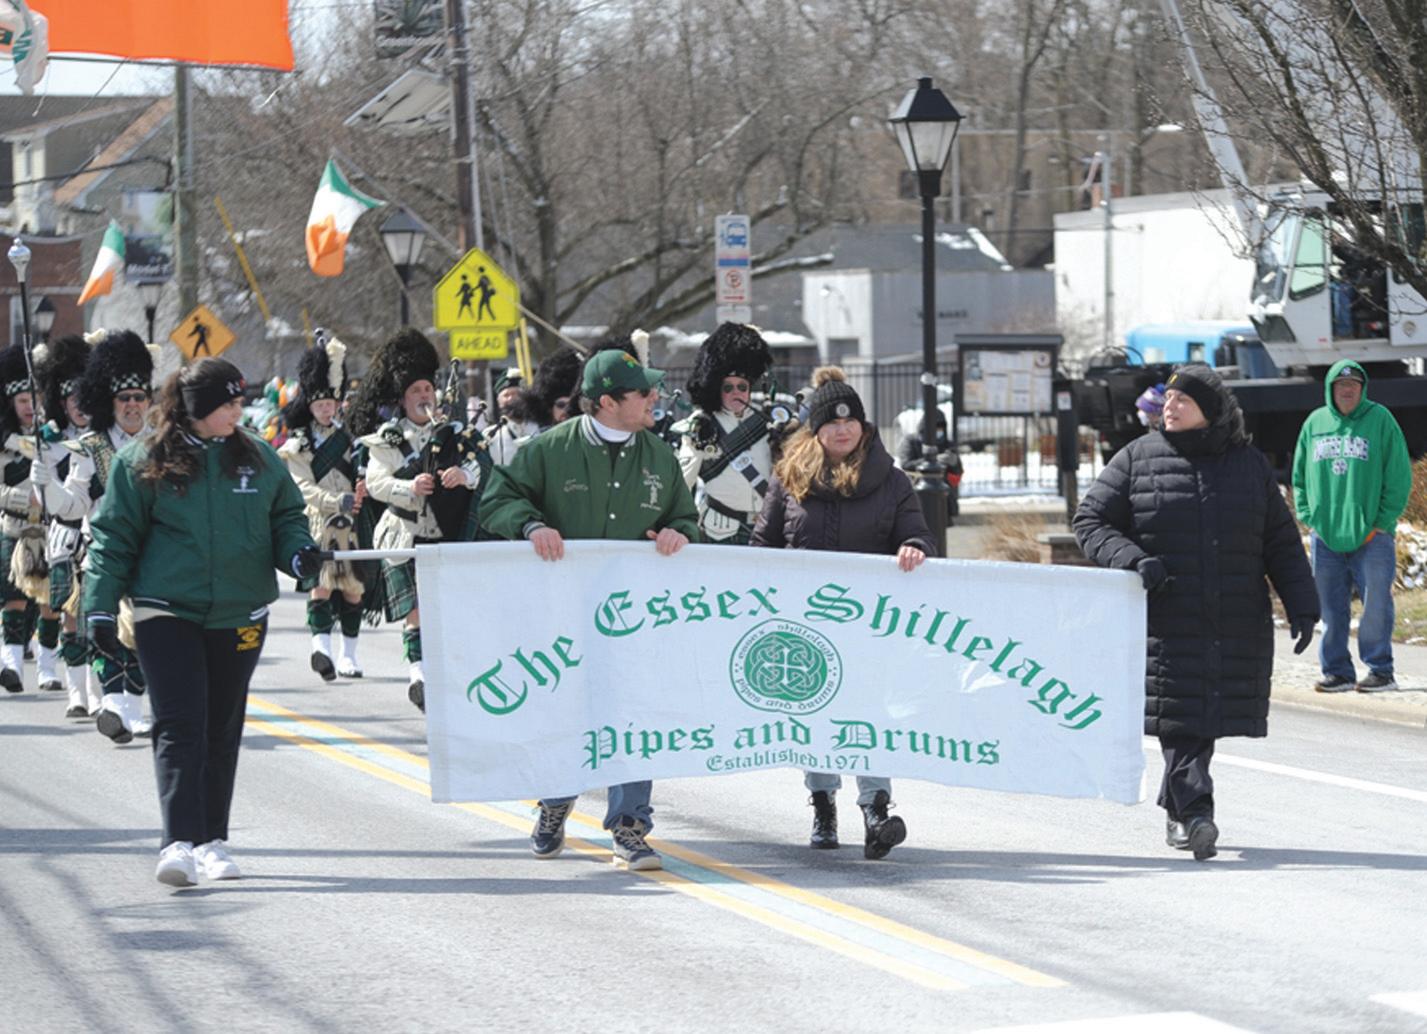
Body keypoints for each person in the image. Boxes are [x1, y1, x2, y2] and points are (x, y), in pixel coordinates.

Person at [83, 358, 318, 886]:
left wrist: (299, 554)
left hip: (239, 611)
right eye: (228, 404)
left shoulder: (257, 456)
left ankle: (213, 841)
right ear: (197, 409)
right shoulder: (143, 459)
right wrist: (99, 604)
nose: (239, 412)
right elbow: (114, 536)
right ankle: (178, 843)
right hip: (166, 609)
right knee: (180, 722)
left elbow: (286, 516)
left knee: (221, 725)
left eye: (239, 403)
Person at [1074, 363, 1319, 861]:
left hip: (1234, 617)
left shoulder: (1248, 466)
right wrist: (1134, 559)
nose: (1169, 406)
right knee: (1183, 720)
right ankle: (1196, 811)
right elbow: (1090, 520)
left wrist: (1303, 605)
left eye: (1182, 401)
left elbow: (1280, 542)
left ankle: (1180, 810)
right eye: (1167, 400)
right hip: (1166, 616)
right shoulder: (1137, 458)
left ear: (1209, 410)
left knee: (1199, 717)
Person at [479, 343, 699, 872]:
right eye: (642, 392)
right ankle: (556, 799)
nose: (654, 398)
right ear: (604, 402)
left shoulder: (660, 456)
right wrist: (531, 525)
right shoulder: (548, 450)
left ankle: (629, 826)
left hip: (635, 616)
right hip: (561, 612)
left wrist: (678, 532)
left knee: (633, 714)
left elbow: (685, 517)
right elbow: (496, 499)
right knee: (565, 709)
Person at [750, 366, 935, 860]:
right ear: (815, 430)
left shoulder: (891, 480)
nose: (842, 429)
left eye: (850, 420)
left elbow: (917, 533)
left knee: (868, 716)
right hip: (804, 623)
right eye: (831, 422)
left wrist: (914, 546)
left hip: (868, 625)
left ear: (863, 426)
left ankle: (876, 810)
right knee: (816, 716)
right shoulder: (788, 480)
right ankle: (822, 802)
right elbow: (762, 546)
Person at [347, 329, 486, 711]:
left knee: (446, 608)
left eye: (428, 389)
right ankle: (418, 674)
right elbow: (375, 483)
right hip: (404, 534)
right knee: (418, 608)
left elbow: (481, 468)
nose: (424, 396)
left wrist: (465, 476)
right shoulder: (387, 440)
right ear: (402, 399)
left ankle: (442, 673)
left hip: (448, 533)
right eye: (415, 391)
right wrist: (410, 487)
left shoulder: (457, 435)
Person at [44, 331, 159, 740]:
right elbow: (72, 506)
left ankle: (133, 707)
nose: (132, 405)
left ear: (148, 401)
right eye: (124, 398)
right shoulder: (89, 447)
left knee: (146, 633)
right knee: (104, 630)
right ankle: (113, 706)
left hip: (153, 556)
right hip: (102, 555)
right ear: (109, 403)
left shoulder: (163, 446)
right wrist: (51, 488)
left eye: (139, 397)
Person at [1291, 360, 1412, 693]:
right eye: (1341, 385)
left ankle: (1380, 671)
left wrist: (1382, 522)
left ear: (1363, 389)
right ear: (1330, 389)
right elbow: (1299, 475)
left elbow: (1399, 475)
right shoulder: (1315, 423)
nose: (1347, 390)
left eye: (1354, 385)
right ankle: (1337, 672)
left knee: (1376, 604)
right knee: (1330, 607)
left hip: (1372, 536)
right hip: (1326, 536)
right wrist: (1309, 515)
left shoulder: (1380, 420)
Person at [279, 332, 366, 681]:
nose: (326, 409)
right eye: (319, 405)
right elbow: (301, 488)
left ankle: (349, 655)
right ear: (309, 406)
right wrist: (335, 500)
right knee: (322, 585)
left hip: (353, 520)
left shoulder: (352, 439)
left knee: (354, 589)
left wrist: (363, 488)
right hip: (319, 522)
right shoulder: (298, 445)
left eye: (331, 403)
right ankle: (321, 649)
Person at [28, 334, 93, 714]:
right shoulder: (50, 440)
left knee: (101, 616)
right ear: (63, 402)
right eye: (72, 400)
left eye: (85, 399)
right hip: (64, 532)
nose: (79, 407)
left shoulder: (102, 435)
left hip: (99, 530)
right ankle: (76, 692)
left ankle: (105, 691)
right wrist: (41, 473)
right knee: (68, 611)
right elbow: (42, 498)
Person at [677, 322, 781, 545]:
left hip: (767, 527)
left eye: (742, 387)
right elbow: (682, 481)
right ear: (716, 389)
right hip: (721, 530)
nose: (736, 392)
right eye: (728, 387)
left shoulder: (769, 422)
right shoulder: (701, 425)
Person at [0, 343, 52, 694]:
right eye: (22, 401)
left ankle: (48, 667)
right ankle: (12, 664)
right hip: (14, 525)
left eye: (34, 399)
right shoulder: (4, 442)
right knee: (13, 595)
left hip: (49, 529)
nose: (29, 407)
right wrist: (23, 497)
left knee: (49, 599)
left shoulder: (53, 437)